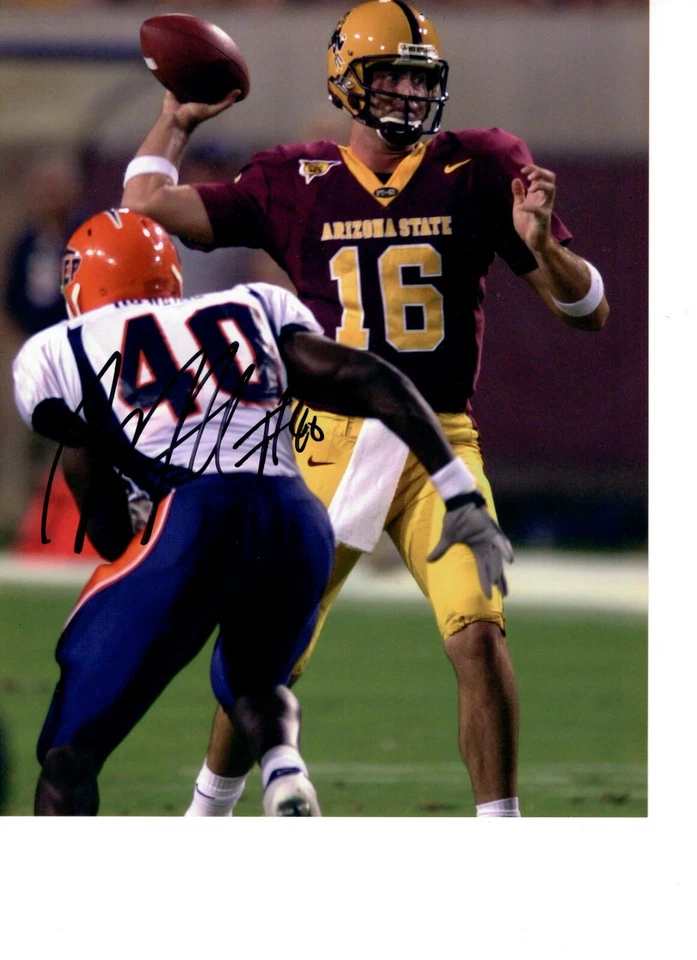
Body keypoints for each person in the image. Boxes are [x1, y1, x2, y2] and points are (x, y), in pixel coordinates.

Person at [121, 0, 609, 818]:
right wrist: (176, 118)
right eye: (389, 76)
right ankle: (208, 811)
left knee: (478, 633)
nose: (409, 95)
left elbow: (587, 309)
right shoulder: (294, 177)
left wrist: (548, 245)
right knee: (265, 647)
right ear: (347, 83)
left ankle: (503, 833)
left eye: (420, 79)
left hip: (437, 444)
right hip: (326, 440)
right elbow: (148, 209)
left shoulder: (483, 165)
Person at [12, 207, 512, 816]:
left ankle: (49, 904)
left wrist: (137, 513)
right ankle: (284, 768)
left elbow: (108, 523)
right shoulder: (249, 305)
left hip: (196, 514)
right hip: (296, 516)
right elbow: (366, 375)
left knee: (69, 752)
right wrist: (457, 487)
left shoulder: (58, 351)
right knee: (256, 679)